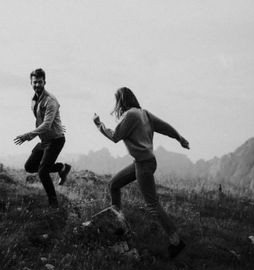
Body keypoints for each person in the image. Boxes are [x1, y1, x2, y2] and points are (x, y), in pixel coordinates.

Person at [93, 87, 189, 258]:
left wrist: (99, 124)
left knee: (152, 205)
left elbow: (115, 136)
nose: (116, 106)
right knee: (114, 184)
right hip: (144, 163)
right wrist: (179, 138)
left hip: (143, 165)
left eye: (117, 101)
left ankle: (176, 242)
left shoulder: (130, 115)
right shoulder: (144, 113)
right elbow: (165, 127)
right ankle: (119, 224)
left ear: (121, 101)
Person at [14, 68, 71, 208]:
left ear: (45, 82)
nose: (37, 85)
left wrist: (28, 136)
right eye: (35, 82)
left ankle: (54, 204)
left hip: (56, 140)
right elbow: (44, 120)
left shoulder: (50, 100)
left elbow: (46, 124)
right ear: (31, 83)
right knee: (30, 166)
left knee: (43, 171)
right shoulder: (34, 100)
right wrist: (56, 125)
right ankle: (62, 167)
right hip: (45, 140)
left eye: (40, 82)